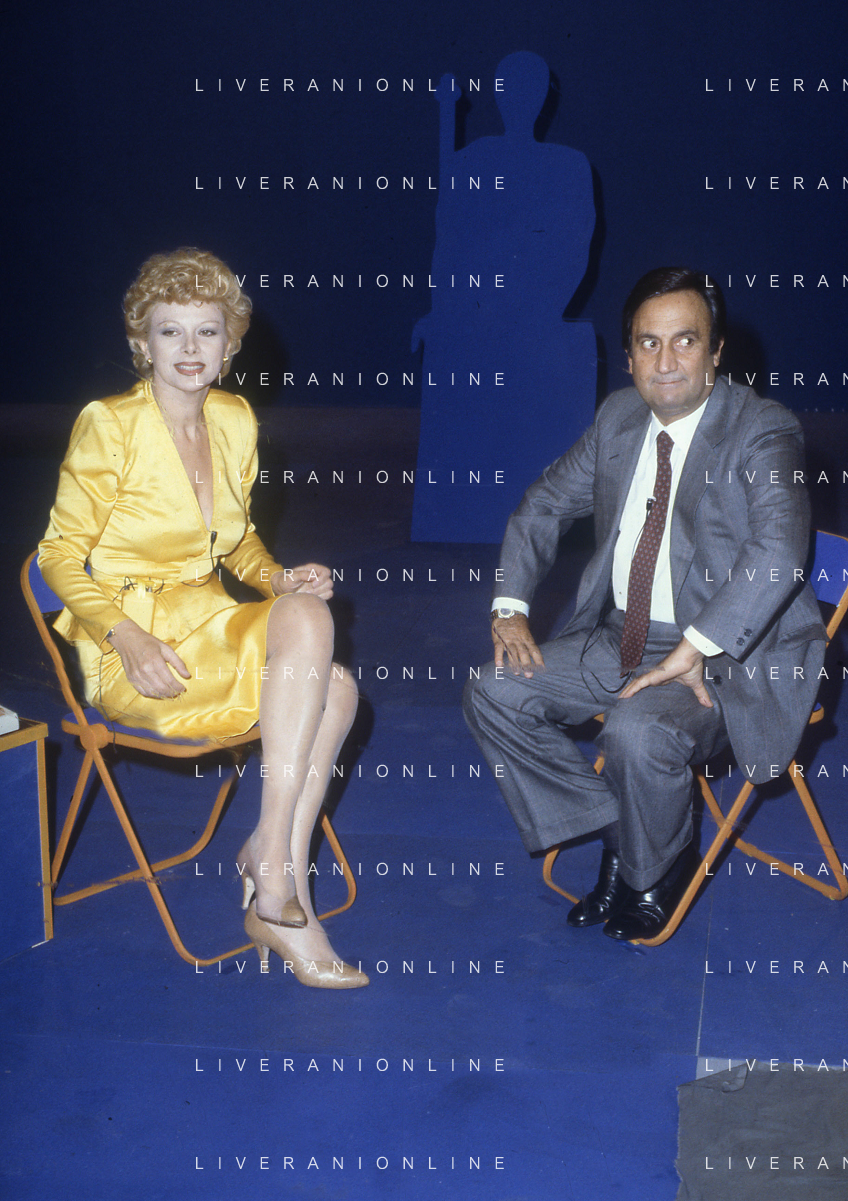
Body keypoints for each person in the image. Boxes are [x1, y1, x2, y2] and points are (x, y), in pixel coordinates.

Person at [463, 267, 827, 940]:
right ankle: (630, 838)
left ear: (716, 352)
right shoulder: (619, 419)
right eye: (647, 343)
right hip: (623, 637)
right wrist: (509, 604)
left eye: (685, 341)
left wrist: (697, 644)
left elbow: (779, 552)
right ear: (628, 355)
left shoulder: (763, 428)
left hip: (729, 655)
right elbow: (543, 504)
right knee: (495, 689)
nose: (665, 362)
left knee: (636, 731)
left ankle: (651, 868)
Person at [39, 248, 368, 987]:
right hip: (133, 643)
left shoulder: (234, 419)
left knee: (310, 623)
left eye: (207, 331)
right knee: (337, 689)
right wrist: (123, 635)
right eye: (170, 331)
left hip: (211, 621)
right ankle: (280, 886)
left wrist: (279, 578)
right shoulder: (109, 425)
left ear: (230, 343)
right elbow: (57, 556)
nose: (190, 349)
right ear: (142, 342)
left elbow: (237, 541)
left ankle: (272, 862)